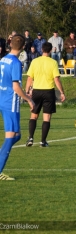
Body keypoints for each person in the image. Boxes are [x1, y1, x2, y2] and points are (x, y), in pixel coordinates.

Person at [0, 34, 34, 180]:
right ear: (23, 47)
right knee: (11, 136)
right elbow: (16, 87)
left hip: (2, 99)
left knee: (17, 135)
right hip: (10, 102)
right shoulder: (15, 62)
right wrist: (29, 99)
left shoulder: (3, 59)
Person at [25, 42, 66, 147]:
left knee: (34, 115)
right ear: (51, 50)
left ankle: (30, 138)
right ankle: (43, 141)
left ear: (42, 49)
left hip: (36, 91)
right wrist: (62, 92)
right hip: (48, 91)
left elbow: (29, 78)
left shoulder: (35, 61)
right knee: (46, 117)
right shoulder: (53, 62)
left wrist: (27, 92)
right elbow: (56, 79)